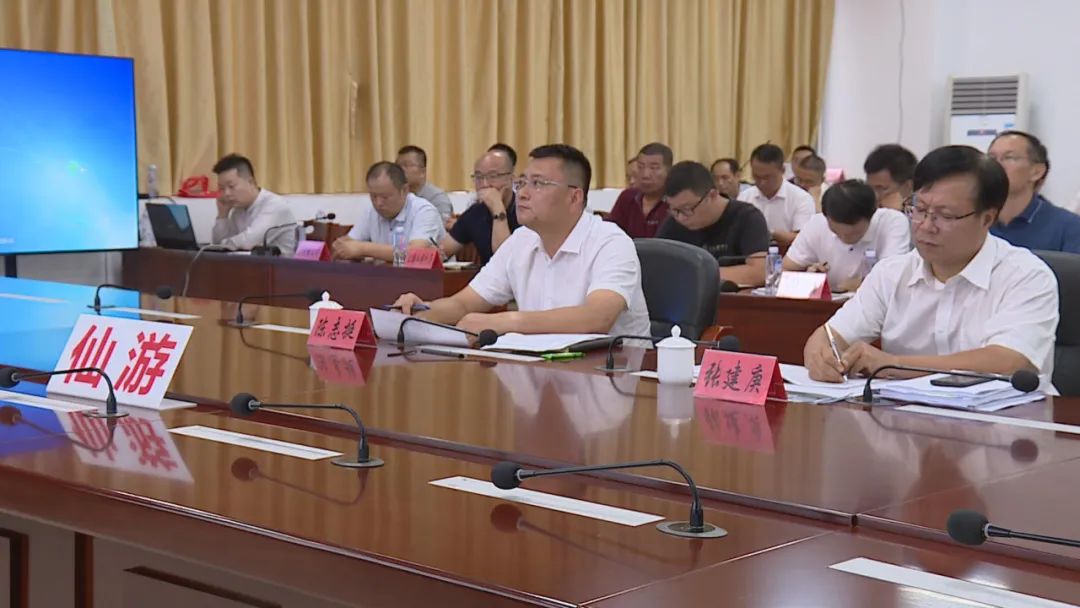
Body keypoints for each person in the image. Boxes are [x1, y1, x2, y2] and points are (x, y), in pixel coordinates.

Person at [804, 145, 1059, 383]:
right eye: (919, 209)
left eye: (945, 215)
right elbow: (829, 336)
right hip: (904, 413)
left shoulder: (1027, 276)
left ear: (987, 218)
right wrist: (821, 356)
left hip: (1007, 415)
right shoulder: (891, 273)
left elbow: (1009, 361)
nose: (925, 226)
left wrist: (894, 364)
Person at [392, 144, 651, 337]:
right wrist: (419, 312)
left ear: (574, 197)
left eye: (538, 183)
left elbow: (597, 318)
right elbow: (464, 303)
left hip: (611, 378)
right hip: (539, 373)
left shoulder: (611, 243)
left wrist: (506, 322)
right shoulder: (521, 241)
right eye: (522, 182)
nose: (523, 193)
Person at [783, 179, 910, 292]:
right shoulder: (817, 223)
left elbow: (892, 279)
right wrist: (808, 277)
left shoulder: (893, 223)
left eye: (854, 234)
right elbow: (785, 271)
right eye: (836, 233)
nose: (845, 239)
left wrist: (861, 284)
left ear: (871, 215)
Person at [656, 161, 769, 286]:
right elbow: (656, 267)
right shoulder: (673, 222)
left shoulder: (747, 217)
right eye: (674, 210)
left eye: (687, 209)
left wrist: (693, 274)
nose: (681, 218)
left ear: (712, 195)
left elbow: (760, 272)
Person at [987, 130, 1080, 253]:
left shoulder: (1069, 227)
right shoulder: (973, 220)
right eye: (991, 158)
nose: (996, 165)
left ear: (1037, 172)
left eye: (1009, 157)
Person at [331, 162, 444, 262]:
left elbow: (415, 253)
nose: (378, 203)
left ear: (404, 190)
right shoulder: (371, 211)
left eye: (385, 197)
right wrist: (343, 247)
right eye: (373, 196)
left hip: (427, 277)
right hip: (386, 275)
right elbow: (347, 243)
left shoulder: (424, 210)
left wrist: (363, 249)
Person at [440, 148, 518, 265]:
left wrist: (498, 209)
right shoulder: (475, 212)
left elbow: (505, 261)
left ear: (511, 178)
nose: (485, 184)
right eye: (479, 177)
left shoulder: (525, 210)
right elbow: (443, 251)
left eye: (493, 176)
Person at [210, 154, 298, 256]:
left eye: (231, 186)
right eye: (222, 188)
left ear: (250, 182)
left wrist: (220, 245)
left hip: (280, 265)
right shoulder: (238, 209)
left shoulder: (274, 205)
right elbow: (219, 247)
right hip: (251, 264)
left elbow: (249, 242)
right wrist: (222, 215)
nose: (226, 193)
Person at [738, 143, 816, 248]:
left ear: (782, 170)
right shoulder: (744, 197)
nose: (762, 182)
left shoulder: (801, 198)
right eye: (756, 176)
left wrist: (772, 234)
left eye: (767, 177)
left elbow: (803, 238)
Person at [606, 142, 672, 238]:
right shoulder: (627, 197)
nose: (645, 175)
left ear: (669, 171)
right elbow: (610, 233)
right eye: (640, 167)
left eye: (654, 168)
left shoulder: (676, 202)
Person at [396, 145, 453, 221]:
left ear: (422, 172)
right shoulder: (394, 195)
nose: (400, 170)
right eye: (397, 166)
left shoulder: (437, 198)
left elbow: (443, 226)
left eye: (406, 165)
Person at [864, 144, 917, 211]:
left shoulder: (923, 214)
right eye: (869, 188)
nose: (873, 196)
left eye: (881, 188)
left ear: (908, 187)